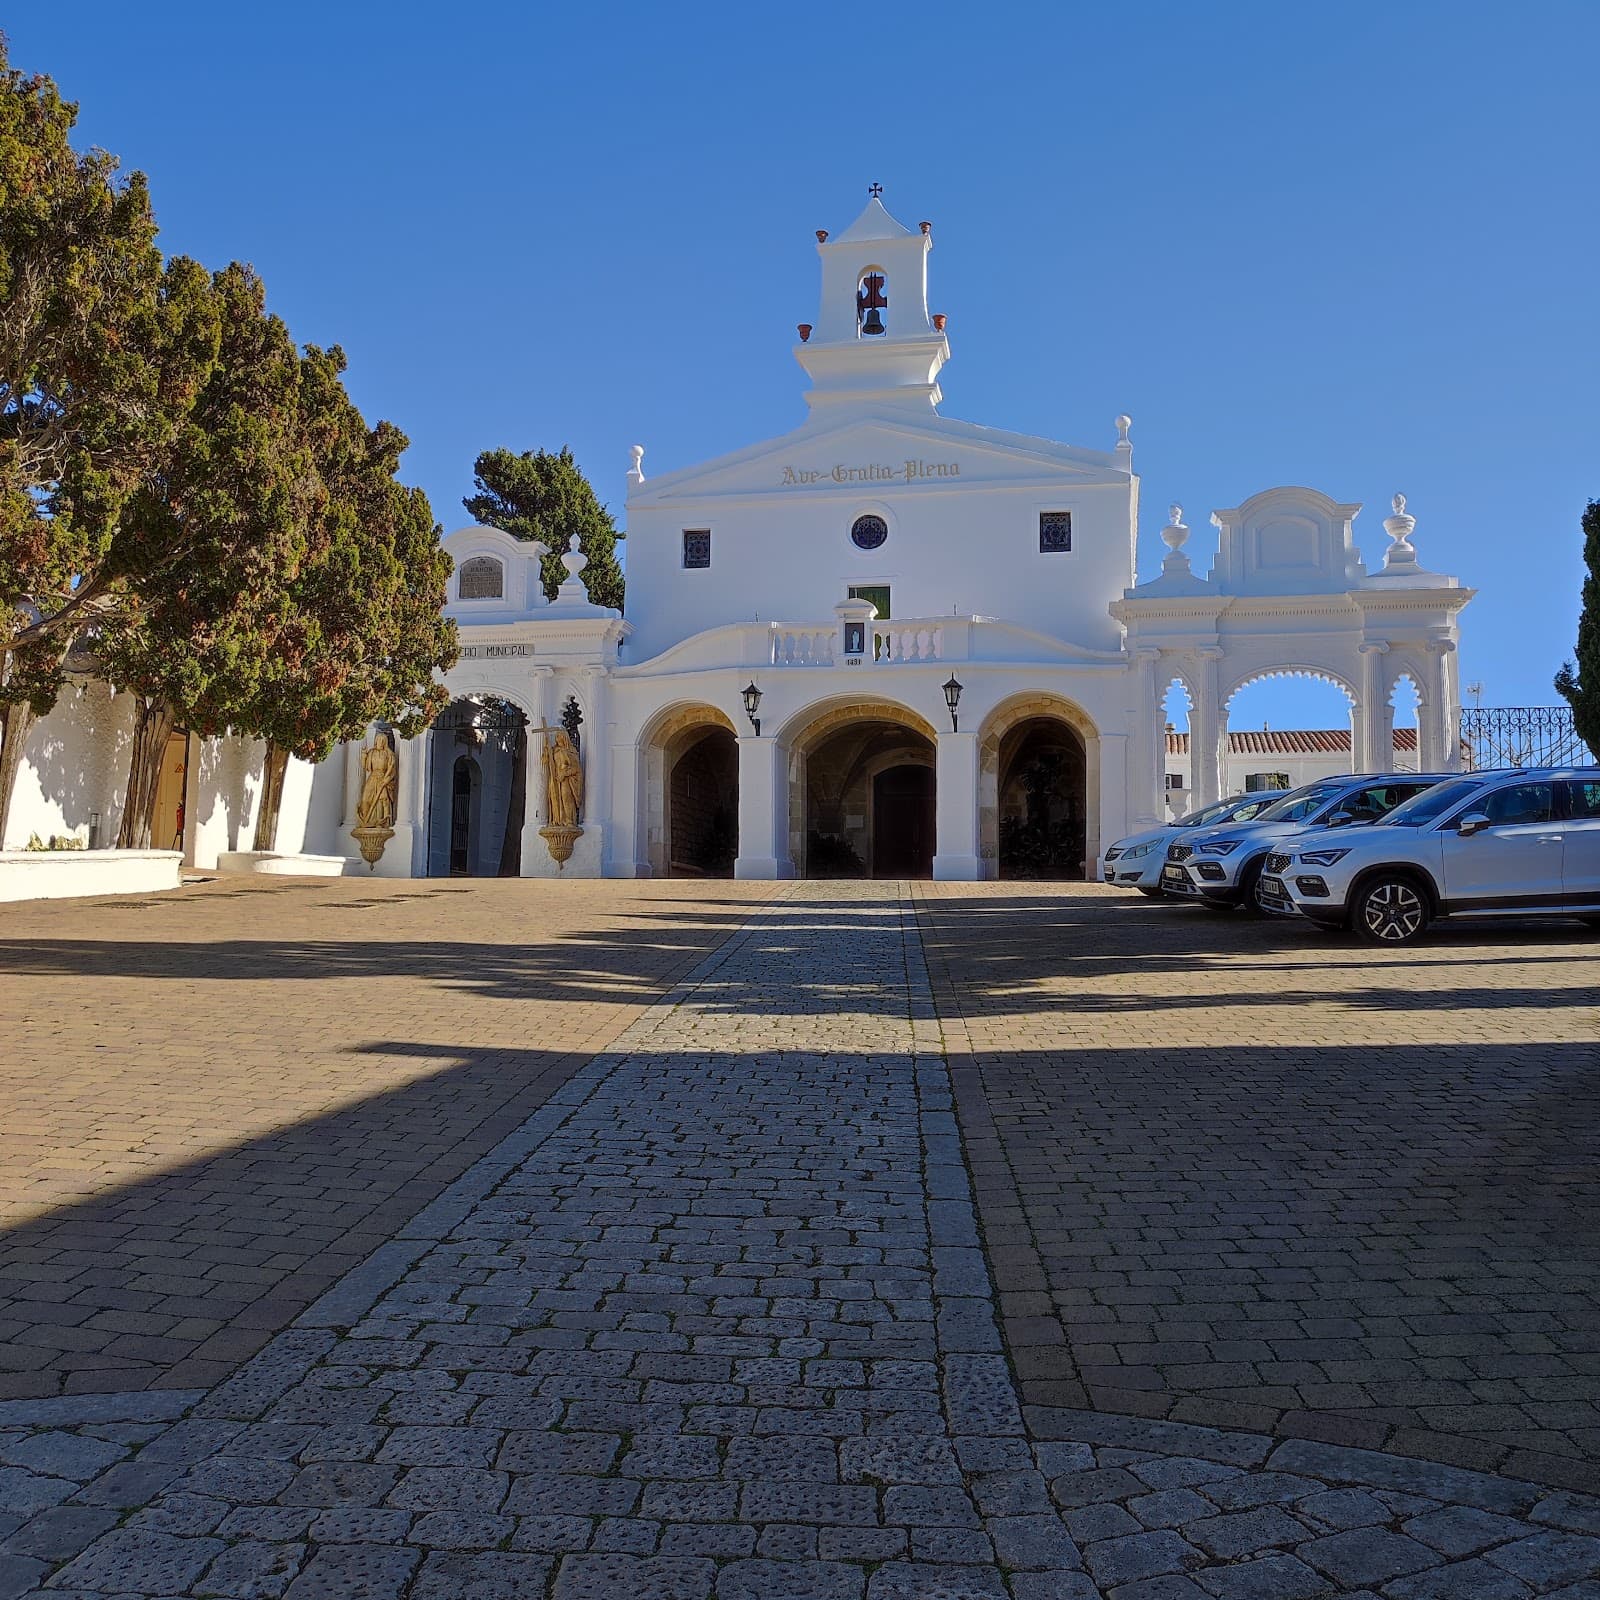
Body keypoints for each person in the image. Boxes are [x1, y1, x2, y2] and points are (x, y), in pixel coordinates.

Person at [356, 733, 398, 830]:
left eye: (383, 741)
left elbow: (392, 770)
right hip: (372, 777)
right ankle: (366, 820)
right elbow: (366, 767)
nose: (380, 743)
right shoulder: (371, 752)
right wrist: (363, 755)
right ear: (376, 741)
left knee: (383, 799)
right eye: (379, 740)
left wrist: (387, 780)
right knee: (365, 799)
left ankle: (384, 822)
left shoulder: (388, 754)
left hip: (383, 778)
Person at [544, 729, 583, 827]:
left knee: (566, 796)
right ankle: (557, 820)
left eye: (560, 735)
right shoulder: (554, 750)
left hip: (566, 779)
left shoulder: (571, 751)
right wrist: (546, 751)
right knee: (555, 798)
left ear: (565, 737)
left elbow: (576, 768)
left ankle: (569, 820)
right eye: (556, 736)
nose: (557, 738)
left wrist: (564, 773)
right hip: (555, 778)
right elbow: (545, 761)